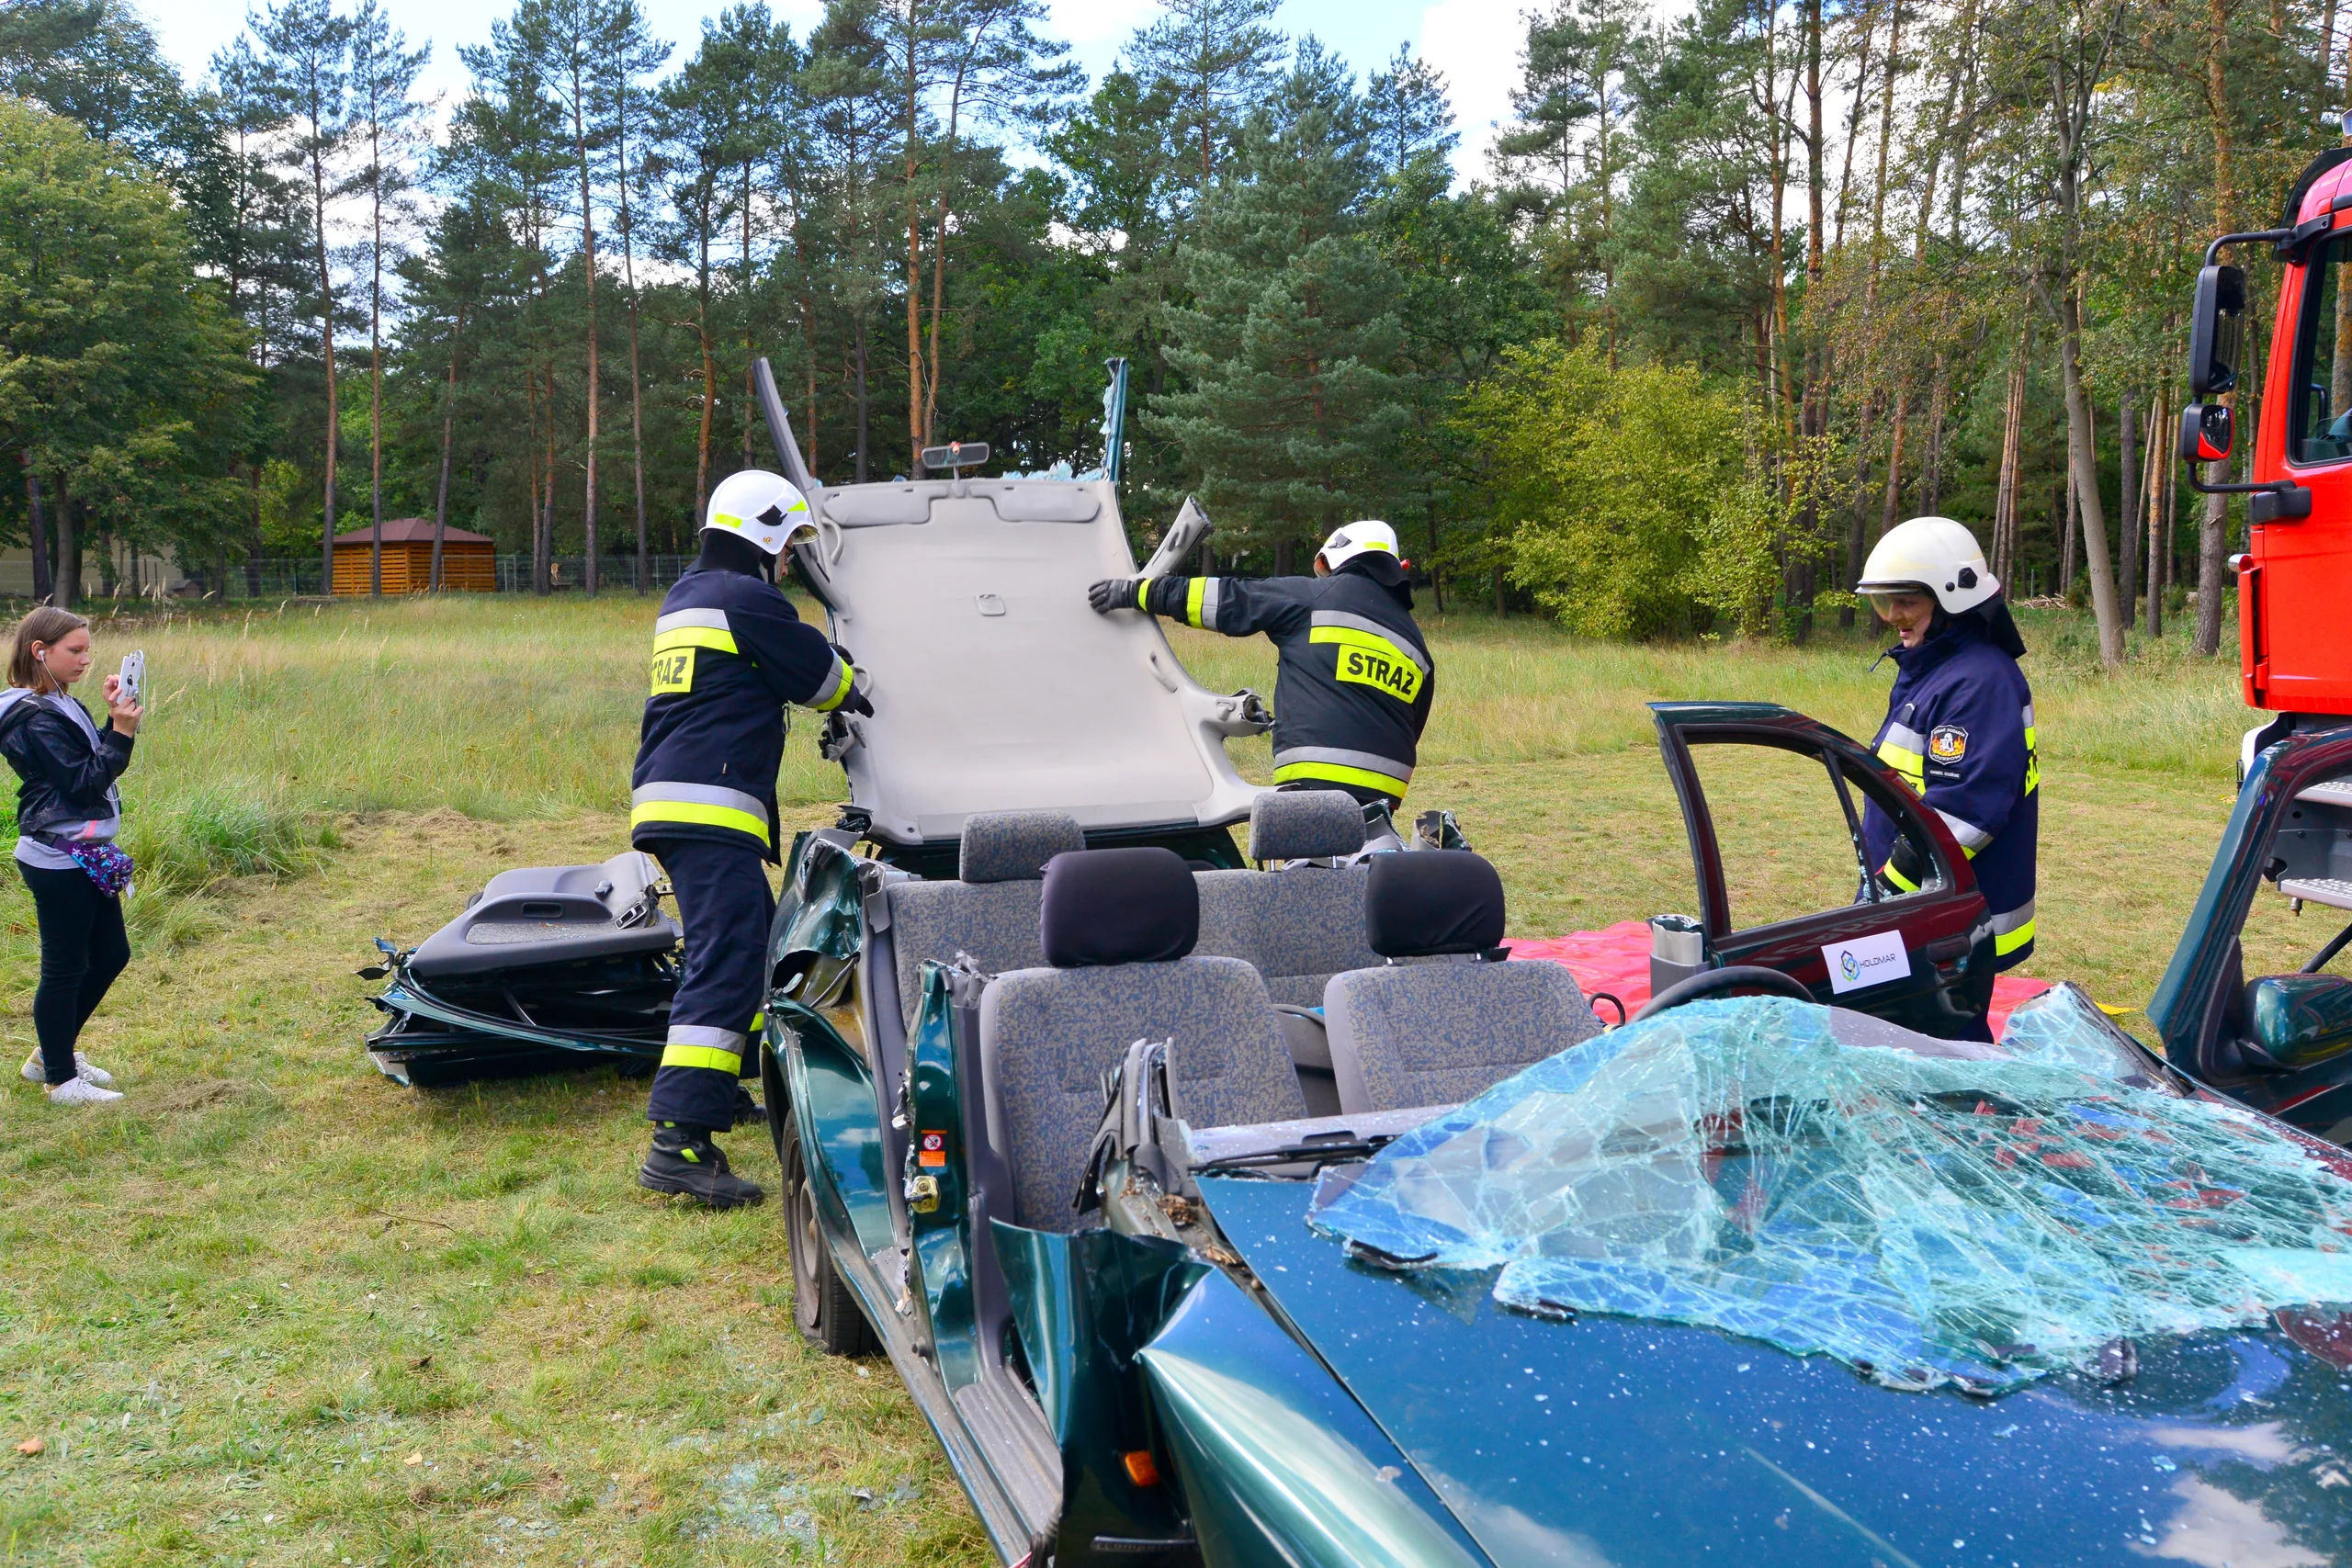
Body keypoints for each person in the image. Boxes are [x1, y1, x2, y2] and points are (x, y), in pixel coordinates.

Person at [632, 468, 872, 1208]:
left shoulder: (689, 596)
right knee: (730, 961)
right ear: (763, 534)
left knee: (738, 946)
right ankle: (680, 1143)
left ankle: (720, 1090)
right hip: (709, 809)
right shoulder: (749, 599)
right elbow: (825, 680)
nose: (789, 560)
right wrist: (858, 683)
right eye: (789, 544)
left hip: (675, 803)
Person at [1086, 520, 1434, 813]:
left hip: (1312, 783)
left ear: (1338, 558)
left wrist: (1139, 592)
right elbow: (1412, 726)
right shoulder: (1416, 643)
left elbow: (1225, 601)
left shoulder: (1317, 597)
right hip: (1385, 796)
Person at [1856, 515, 2039, 987]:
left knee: (1947, 1047)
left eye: (1907, 602)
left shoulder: (1978, 683)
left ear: (1952, 600)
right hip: (1925, 904)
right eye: (1885, 603)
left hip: (1951, 920)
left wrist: (1886, 889)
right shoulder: (1935, 669)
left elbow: (1965, 813)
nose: (1893, 616)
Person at [0, 607, 141, 1106]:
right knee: (64, 968)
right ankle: (60, 1080)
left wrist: (110, 719)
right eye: (74, 651)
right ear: (41, 652)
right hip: (59, 858)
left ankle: (50, 1053)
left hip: (85, 852)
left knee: (110, 954)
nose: (86, 659)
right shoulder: (32, 715)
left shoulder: (58, 701)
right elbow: (84, 784)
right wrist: (122, 732)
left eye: (87, 649)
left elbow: (84, 765)